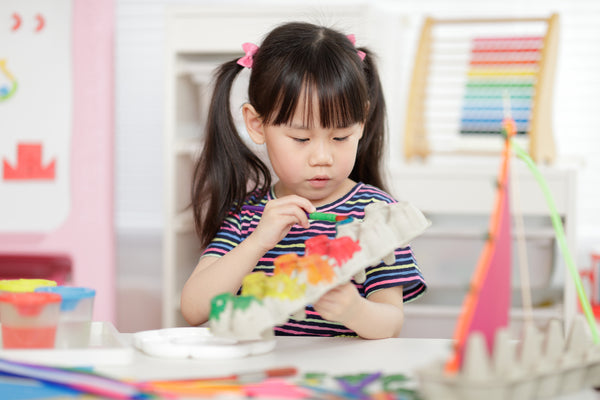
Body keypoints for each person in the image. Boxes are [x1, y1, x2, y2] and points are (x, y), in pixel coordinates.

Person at [181, 21, 426, 339]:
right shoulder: (247, 217)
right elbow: (194, 309)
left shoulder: (376, 214)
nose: (322, 157)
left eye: (340, 137)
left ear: (362, 123)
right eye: (300, 138)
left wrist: (354, 311)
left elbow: (391, 322)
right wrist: (258, 242)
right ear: (257, 124)